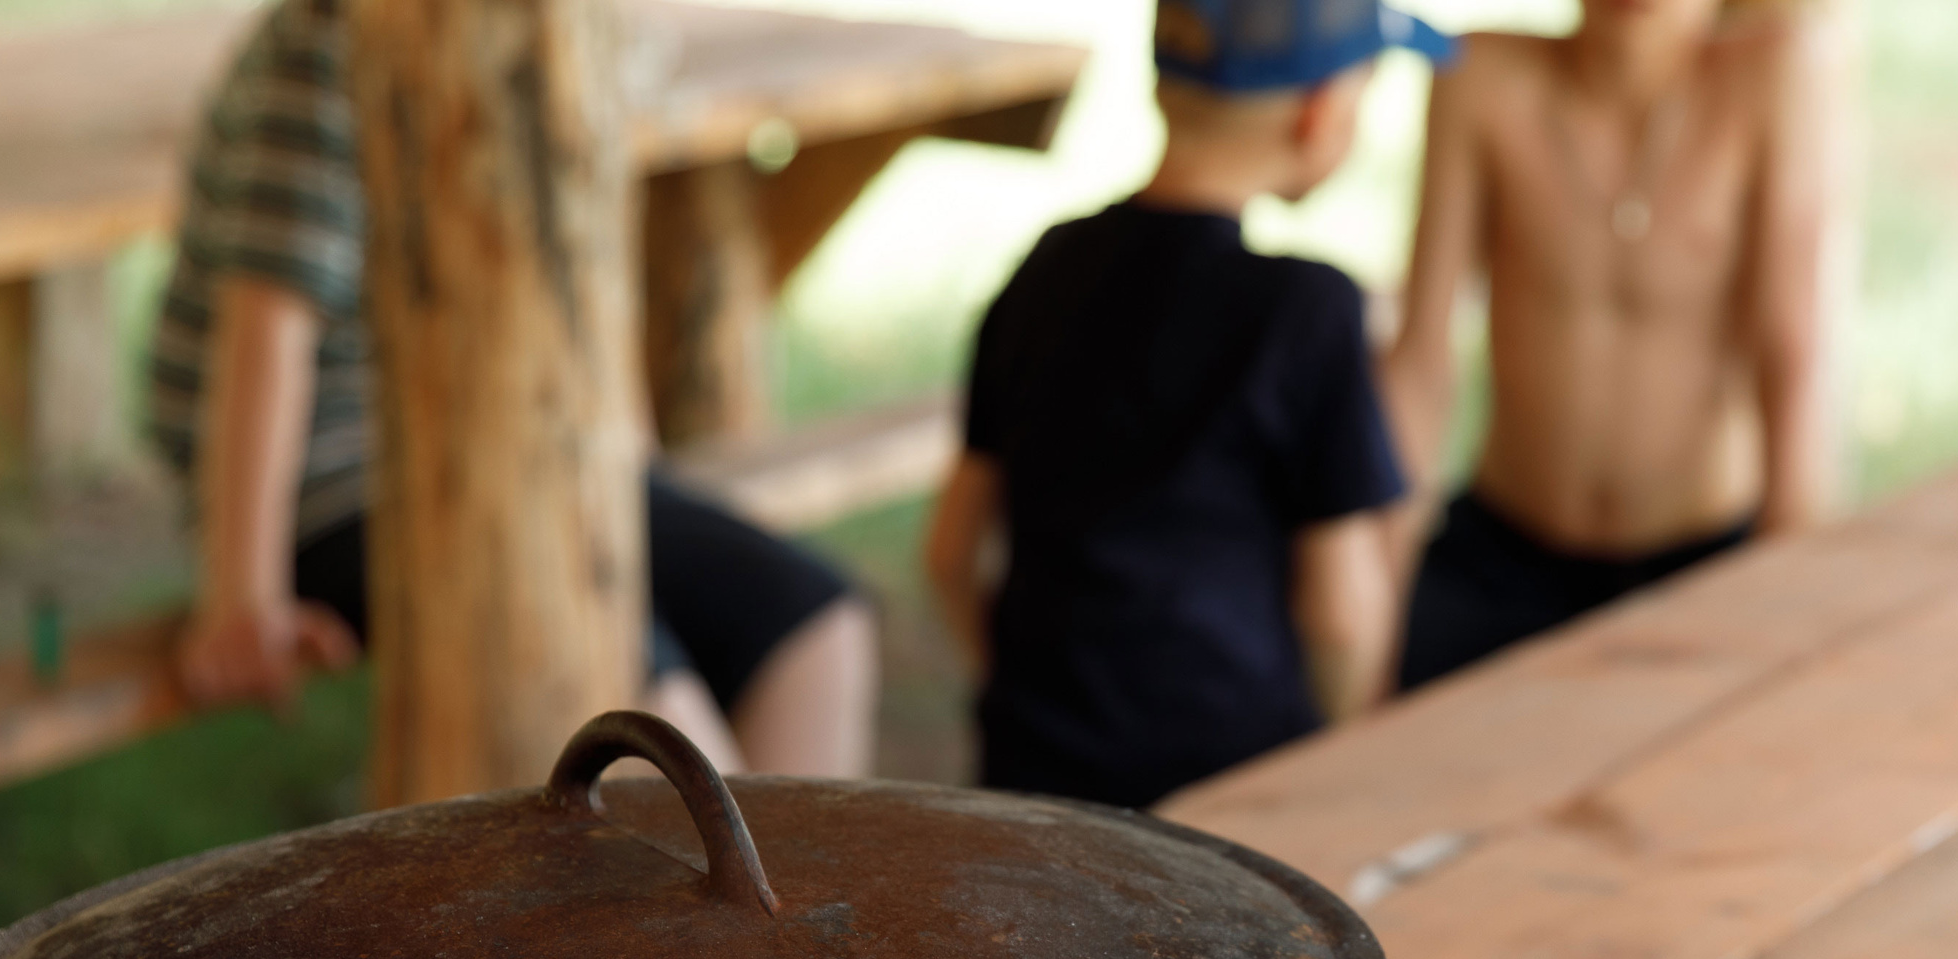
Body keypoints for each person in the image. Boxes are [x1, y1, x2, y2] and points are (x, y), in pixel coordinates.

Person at [148, 0, 877, 777]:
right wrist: (242, 596)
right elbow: (266, 323)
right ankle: (732, 890)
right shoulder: (337, 42)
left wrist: (628, 469)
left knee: (814, 624)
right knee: (664, 732)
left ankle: (790, 894)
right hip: (337, 484)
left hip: (520, 449)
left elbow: (581, 261)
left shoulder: (567, 33)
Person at [924, 0, 1450, 811]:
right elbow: (1342, 615)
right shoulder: (1305, 310)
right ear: (1320, 114)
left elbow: (952, 550)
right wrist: (1337, 744)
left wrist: (1033, 702)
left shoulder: (1048, 266)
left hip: (1037, 779)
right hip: (1232, 790)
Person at [1383, 0, 1833, 691]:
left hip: (1699, 565)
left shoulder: (1767, 83)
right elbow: (1422, 364)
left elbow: (1789, 356)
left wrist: (1786, 608)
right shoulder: (1481, 78)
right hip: (1502, 556)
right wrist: (1379, 583)